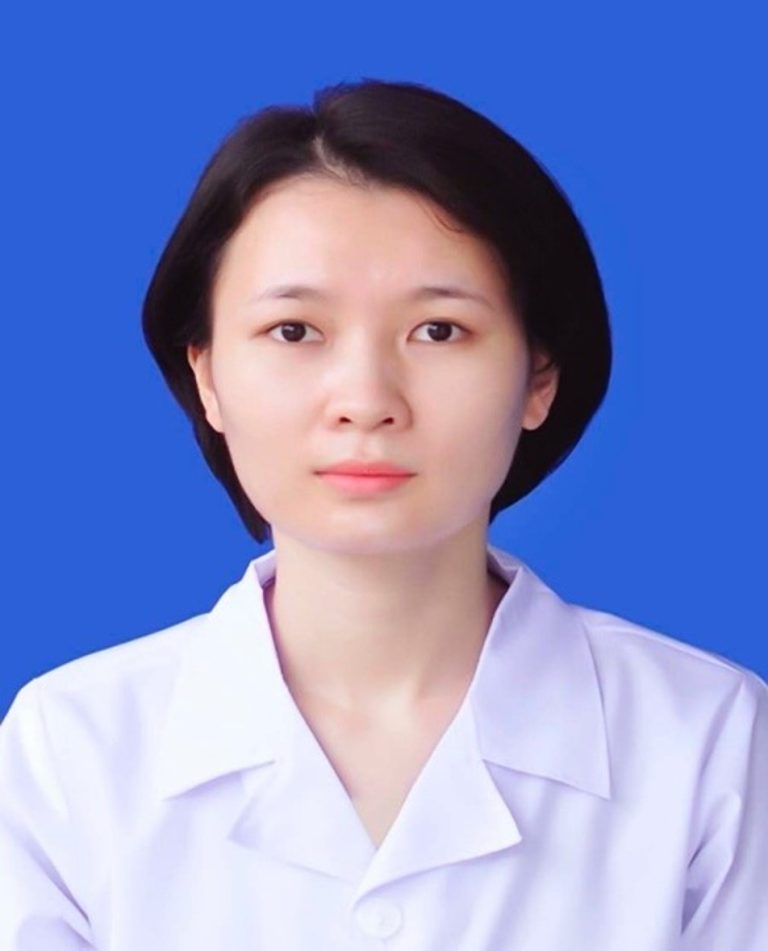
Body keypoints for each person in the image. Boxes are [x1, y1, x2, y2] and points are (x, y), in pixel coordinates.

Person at [1, 78, 765, 950]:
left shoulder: (709, 743)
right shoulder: (68, 755)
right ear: (207, 375)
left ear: (539, 377)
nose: (366, 400)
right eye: (295, 331)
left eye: (438, 330)